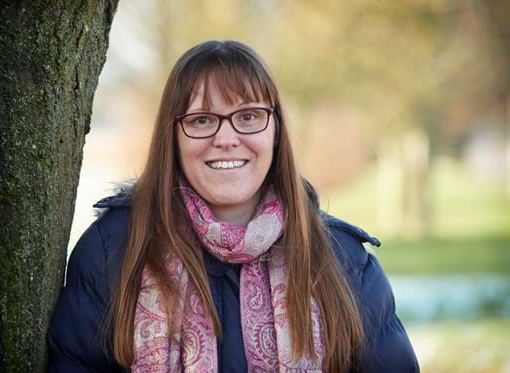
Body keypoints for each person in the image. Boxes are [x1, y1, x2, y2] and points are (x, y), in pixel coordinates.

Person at [46, 40, 419, 372]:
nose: (226, 138)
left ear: (275, 131)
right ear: (172, 136)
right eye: (202, 119)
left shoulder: (343, 259)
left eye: (248, 117)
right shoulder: (113, 248)